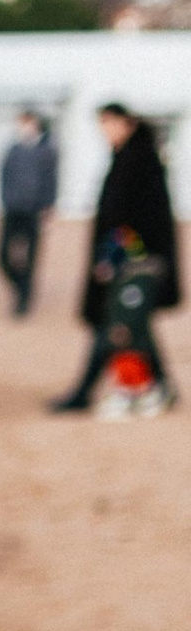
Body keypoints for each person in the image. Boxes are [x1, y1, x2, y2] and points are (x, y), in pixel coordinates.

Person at [51, 104, 181, 414]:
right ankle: (160, 387)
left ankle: (111, 390)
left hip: (135, 265)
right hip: (129, 263)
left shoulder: (141, 162)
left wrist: (115, 257)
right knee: (133, 326)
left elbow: (142, 220)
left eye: (108, 124)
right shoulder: (124, 158)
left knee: (118, 326)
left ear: (125, 123)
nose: (104, 131)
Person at [0, 110, 58, 317]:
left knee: (31, 258)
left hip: (34, 210)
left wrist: (48, 207)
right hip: (13, 209)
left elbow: (51, 181)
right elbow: (3, 177)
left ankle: (24, 299)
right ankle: (20, 285)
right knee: (2, 256)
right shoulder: (13, 149)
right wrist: (5, 200)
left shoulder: (47, 151)